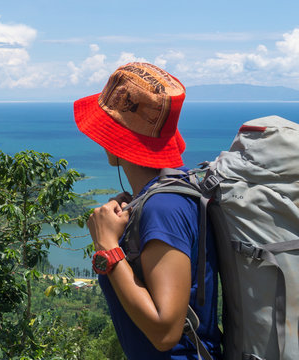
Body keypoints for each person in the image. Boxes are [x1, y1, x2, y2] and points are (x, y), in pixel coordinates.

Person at [73, 62, 222, 359]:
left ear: (116, 139)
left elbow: (165, 333)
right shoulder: (164, 193)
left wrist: (106, 247)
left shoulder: (163, 208)